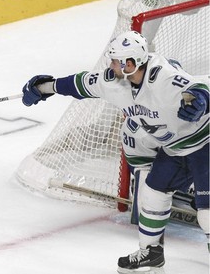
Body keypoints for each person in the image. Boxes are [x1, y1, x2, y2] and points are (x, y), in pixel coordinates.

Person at [21, 30, 209, 273]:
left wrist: (201, 99)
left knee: (207, 213)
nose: (110, 65)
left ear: (130, 64)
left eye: (115, 60)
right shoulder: (115, 81)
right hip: (175, 149)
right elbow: (80, 84)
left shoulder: (162, 76)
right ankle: (151, 253)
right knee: (152, 194)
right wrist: (45, 88)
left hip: (205, 143)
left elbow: (201, 86)